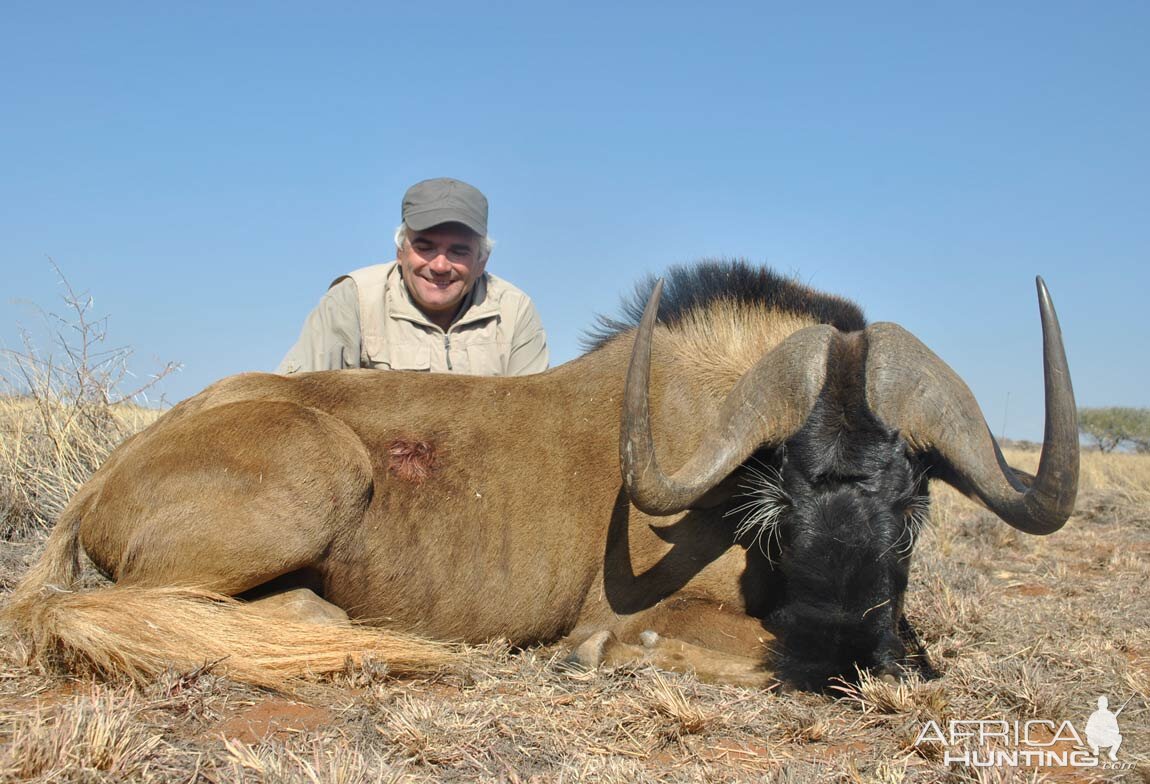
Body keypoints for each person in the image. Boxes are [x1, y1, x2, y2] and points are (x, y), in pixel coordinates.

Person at [278, 177, 548, 376]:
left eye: (459, 251)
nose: (440, 265)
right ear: (400, 252)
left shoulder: (514, 311)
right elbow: (290, 404)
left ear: (481, 261)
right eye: (424, 247)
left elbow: (532, 422)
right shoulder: (352, 299)